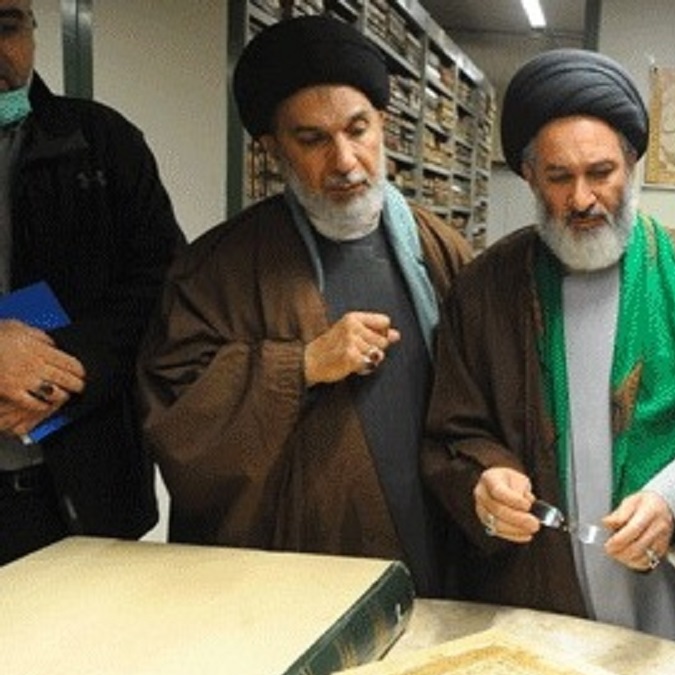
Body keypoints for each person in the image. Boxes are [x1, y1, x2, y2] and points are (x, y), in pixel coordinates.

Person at [421, 49, 675, 654]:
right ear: (529, 177)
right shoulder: (485, 290)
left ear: (632, 164)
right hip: (539, 602)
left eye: (601, 172)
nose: (583, 198)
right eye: (559, 177)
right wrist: (485, 482)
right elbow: (454, 432)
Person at [136, 15, 471, 596]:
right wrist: (303, 365)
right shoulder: (217, 270)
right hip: (296, 568)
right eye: (312, 139)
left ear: (383, 125)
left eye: (357, 130)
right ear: (271, 148)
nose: (344, 160)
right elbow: (175, 416)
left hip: (436, 538)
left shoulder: (442, 250)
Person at [0, 0, 184, 565]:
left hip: (80, 484)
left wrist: (55, 375)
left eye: (6, 26)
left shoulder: (103, 142)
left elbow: (162, 282)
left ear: (32, 28)